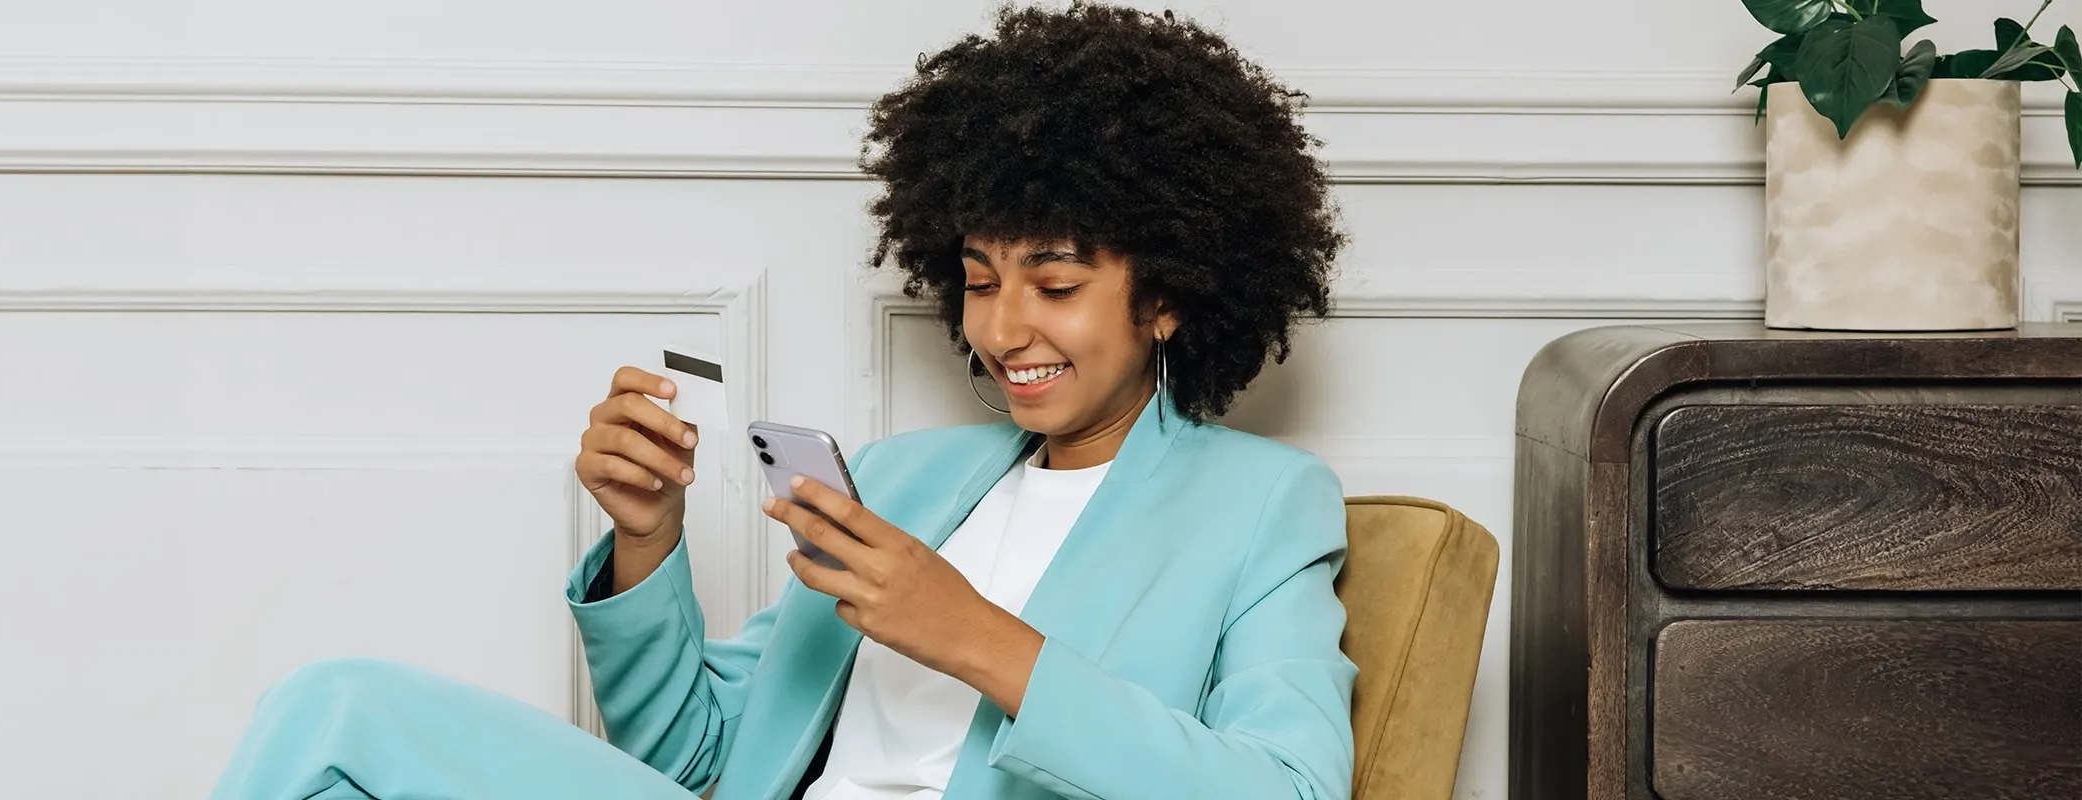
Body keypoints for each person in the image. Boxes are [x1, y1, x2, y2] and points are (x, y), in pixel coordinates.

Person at [208, 3, 1355, 798]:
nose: (1004, 328)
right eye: (978, 279)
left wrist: (981, 640)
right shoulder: (909, 477)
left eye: (1054, 283)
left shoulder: (1261, 503)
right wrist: (646, 539)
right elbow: (695, 746)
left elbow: (1288, 785)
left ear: (1166, 295)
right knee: (332, 705)